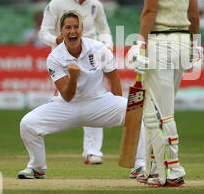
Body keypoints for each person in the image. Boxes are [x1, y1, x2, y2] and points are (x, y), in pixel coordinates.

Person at [18, 11, 145, 179]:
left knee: (136, 112)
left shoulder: (98, 48)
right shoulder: (54, 58)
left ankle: (140, 165)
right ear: (61, 32)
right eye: (68, 27)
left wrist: (120, 107)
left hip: (99, 102)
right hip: (67, 106)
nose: (73, 31)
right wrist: (74, 78)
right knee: (28, 124)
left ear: (82, 29)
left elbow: (114, 80)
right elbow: (67, 96)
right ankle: (37, 167)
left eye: (76, 27)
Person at [127, 0, 203, 187]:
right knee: (155, 111)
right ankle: (153, 170)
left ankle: (173, 170)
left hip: (161, 43)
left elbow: (150, 11)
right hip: (183, 43)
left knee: (159, 112)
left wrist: (139, 43)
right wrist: (196, 44)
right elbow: (194, 14)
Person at [38, 0, 115, 170]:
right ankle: (44, 129)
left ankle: (93, 151)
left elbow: (104, 29)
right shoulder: (57, 3)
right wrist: (54, 39)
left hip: (91, 55)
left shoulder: (95, 4)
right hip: (65, 57)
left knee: (94, 95)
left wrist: (107, 47)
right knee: (66, 97)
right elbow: (43, 32)